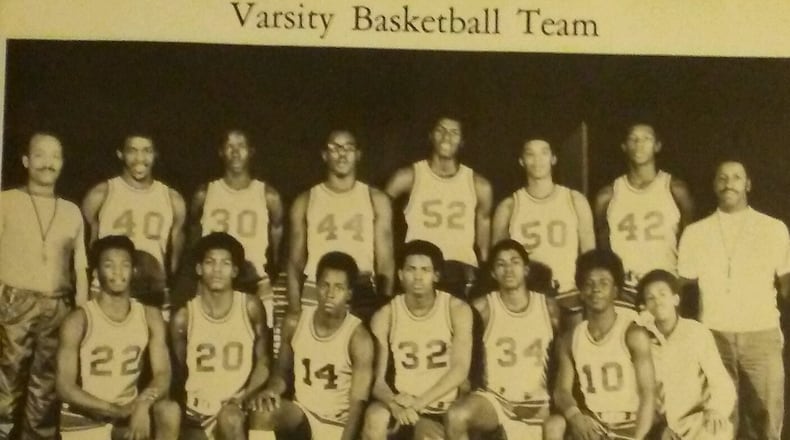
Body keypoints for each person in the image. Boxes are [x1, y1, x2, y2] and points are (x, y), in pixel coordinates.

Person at [677, 159, 789, 440]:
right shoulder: (695, 233)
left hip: (761, 335)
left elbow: (787, 281)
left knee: (765, 420)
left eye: (737, 177)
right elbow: (682, 286)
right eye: (722, 178)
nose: (729, 183)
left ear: (748, 184)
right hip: (714, 335)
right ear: (714, 185)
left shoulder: (773, 228)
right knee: (720, 422)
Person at [0, 132, 89, 440]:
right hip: (13, 302)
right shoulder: (6, 201)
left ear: (62, 163)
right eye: (39, 155)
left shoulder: (71, 211)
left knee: (46, 389)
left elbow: (80, 266)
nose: (47, 162)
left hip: (58, 305)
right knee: (6, 384)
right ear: (26, 161)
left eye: (55, 156)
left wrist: (82, 310)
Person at [56, 235, 180, 439]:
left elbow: (163, 374)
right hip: (84, 419)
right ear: (96, 272)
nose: (117, 272)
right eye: (109, 265)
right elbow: (64, 387)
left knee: (169, 411)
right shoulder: (79, 320)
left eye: (125, 265)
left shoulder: (149, 315)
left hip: (127, 414)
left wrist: (143, 404)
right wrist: (115, 410)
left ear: (134, 271)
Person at [249, 252, 374, 440]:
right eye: (325, 285)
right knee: (263, 411)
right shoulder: (295, 322)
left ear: (349, 292)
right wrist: (272, 390)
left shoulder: (359, 338)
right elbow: (282, 373)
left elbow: (357, 406)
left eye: (339, 287)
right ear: (316, 286)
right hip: (302, 415)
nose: (330, 294)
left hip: (337, 424)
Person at [445, 239, 560, 440]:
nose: (508, 269)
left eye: (514, 262)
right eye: (501, 264)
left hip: (539, 403)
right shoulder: (482, 308)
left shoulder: (549, 309)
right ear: (492, 273)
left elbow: (566, 357)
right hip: (496, 401)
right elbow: (463, 353)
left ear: (526, 269)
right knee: (457, 415)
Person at [362, 240, 473, 440]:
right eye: (411, 269)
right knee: (375, 417)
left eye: (425, 270)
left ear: (436, 275)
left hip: (442, 407)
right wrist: (395, 405)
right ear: (400, 274)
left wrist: (418, 404)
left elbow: (460, 370)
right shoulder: (385, 315)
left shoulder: (456, 309)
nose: (418, 277)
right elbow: (377, 381)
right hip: (403, 406)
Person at [544, 249, 656, 440]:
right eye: (589, 283)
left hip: (630, 426)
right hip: (595, 427)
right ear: (581, 291)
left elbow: (648, 396)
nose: (596, 289)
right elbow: (561, 391)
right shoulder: (570, 339)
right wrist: (575, 416)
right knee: (554, 424)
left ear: (615, 291)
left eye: (604, 283)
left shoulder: (632, 334)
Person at [170, 232, 271, 439]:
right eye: (210, 262)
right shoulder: (183, 317)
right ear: (199, 268)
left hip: (238, 407)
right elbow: (180, 371)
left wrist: (243, 396)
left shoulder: (250, 306)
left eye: (225, 263)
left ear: (235, 271)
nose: (217, 269)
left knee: (230, 419)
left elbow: (264, 362)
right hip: (197, 413)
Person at [287, 129, 394, 319]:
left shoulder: (375, 199)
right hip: (318, 287)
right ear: (324, 155)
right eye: (334, 148)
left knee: (361, 347)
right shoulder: (306, 200)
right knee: (315, 347)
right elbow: (295, 262)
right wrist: (295, 308)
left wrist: (385, 303)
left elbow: (385, 261)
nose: (342, 154)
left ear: (358, 155)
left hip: (360, 287)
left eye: (348, 148)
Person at [386, 115, 493, 297]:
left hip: (461, 270)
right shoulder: (408, 177)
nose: (446, 137)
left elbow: (483, 245)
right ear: (431, 135)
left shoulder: (479, 185)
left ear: (462, 141)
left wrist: (485, 281)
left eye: (454, 132)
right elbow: (379, 219)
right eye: (441, 130)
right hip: (420, 269)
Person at [189, 129, 284, 327]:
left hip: (254, 279)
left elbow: (276, 246)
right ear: (221, 152)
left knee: (261, 341)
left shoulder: (269, 195)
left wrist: (269, 271)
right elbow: (194, 236)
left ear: (251, 151)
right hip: (214, 279)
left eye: (241, 146)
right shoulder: (204, 194)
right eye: (229, 146)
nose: (235, 152)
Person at [82, 131, 186, 309]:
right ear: (120, 154)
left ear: (155, 155)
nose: (140, 158)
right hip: (107, 288)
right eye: (132, 150)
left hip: (152, 290)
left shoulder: (172, 198)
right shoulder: (101, 193)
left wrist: (165, 284)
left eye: (147, 151)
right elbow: (86, 249)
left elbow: (175, 258)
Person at [593, 123, 694, 306]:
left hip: (664, 287)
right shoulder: (607, 195)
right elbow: (603, 246)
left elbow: (690, 240)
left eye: (647, 139)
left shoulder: (675, 189)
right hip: (624, 290)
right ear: (624, 146)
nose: (640, 145)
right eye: (633, 139)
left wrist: (679, 282)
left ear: (657, 146)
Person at [491, 137, 595, 313]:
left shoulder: (574, 200)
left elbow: (590, 257)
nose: (537, 160)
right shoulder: (509, 206)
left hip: (569, 294)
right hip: (528, 298)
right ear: (521, 161)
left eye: (544, 153)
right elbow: (498, 262)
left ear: (554, 158)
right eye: (530, 154)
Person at [636, 269, 735, 440]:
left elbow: (720, 380)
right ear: (644, 306)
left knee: (717, 431)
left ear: (675, 299)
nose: (658, 302)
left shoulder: (696, 332)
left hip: (696, 420)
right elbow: (638, 391)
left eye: (662, 294)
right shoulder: (641, 337)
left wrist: (715, 409)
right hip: (660, 425)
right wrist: (658, 427)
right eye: (650, 298)